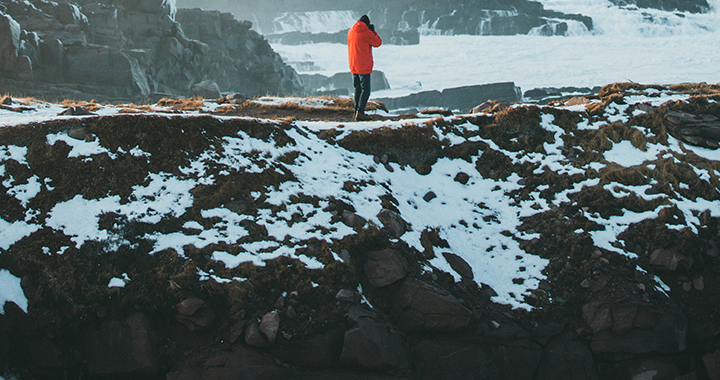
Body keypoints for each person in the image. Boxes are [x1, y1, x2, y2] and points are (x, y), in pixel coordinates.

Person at [347, 14, 382, 121]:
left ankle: (356, 111)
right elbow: (378, 43)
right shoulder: (366, 33)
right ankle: (360, 112)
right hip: (363, 66)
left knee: (357, 89)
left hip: (353, 65)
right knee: (366, 90)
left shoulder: (351, 31)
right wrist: (373, 32)